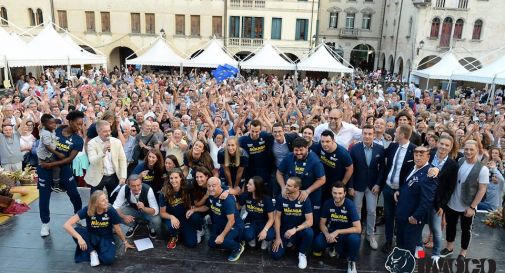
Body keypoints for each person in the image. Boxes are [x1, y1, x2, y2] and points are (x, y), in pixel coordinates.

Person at [441, 140, 489, 261]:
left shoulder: (483, 169)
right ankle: (449, 247)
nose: (468, 152)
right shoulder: (460, 161)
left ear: (477, 150)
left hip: (468, 205)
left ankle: (463, 253)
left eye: (471, 149)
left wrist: (472, 207)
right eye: (466, 149)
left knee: (466, 230)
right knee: (450, 226)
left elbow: (482, 190)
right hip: (452, 202)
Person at [38, 110, 84, 237]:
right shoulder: (55, 130)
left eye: (82, 125)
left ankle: (78, 217)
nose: (80, 127)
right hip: (45, 168)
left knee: (74, 194)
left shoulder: (78, 140)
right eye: (77, 124)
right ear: (70, 121)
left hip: (63, 168)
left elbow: (69, 159)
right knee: (44, 196)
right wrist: (45, 163)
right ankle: (45, 224)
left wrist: (51, 165)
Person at [63, 190, 135, 267]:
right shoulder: (88, 209)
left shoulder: (110, 210)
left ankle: (92, 250)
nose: (106, 201)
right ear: (96, 203)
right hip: (91, 236)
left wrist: (125, 242)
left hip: (106, 238)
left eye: (106, 199)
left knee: (109, 260)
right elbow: (66, 225)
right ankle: (92, 252)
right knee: (77, 230)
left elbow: (117, 228)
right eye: (103, 200)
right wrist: (79, 238)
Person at [394, 146, 438, 255]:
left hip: (412, 218)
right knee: (400, 242)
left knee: (409, 246)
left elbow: (427, 200)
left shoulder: (430, 174)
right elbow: (407, 184)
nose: (418, 158)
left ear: (428, 157)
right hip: (402, 214)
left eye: (421, 155)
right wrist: (399, 191)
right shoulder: (413, 167)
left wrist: (416, 216)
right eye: (416, 155)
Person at [380, 124, 416, 253]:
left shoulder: (414, 150)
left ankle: (401, 243)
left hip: (402, 192)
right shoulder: (393, 146)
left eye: (396, 132)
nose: (394, 134)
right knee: (388, 216)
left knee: (401, 218)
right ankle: (388, 241)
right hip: (388, 188)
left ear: (402, 135)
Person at [277, 137, 326, 233]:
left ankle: (311, 243)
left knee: (312, 220)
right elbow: (279, 173)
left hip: (311, 194)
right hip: (293, 193)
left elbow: (322, 179)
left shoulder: (315, 161)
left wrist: (307, 191)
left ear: (307, 148)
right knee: (293, 217)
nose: (298, 152)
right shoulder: (289, 157)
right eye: (296, 150)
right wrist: (283, 187)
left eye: (301, 150)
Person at [312, 182, 361, 273]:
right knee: (317, 243)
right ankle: (331, 247)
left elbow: (358, 228)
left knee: (354, 239)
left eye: (340, 193)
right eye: (335, 193)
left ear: (345, 193)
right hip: (331, 232)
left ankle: (351, 261)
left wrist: (338, 231)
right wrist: (327, 234)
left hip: (346, 234)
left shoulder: (349, 204)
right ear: (331, 192)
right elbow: (322, 223)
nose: (337, 196)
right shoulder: (328, 203)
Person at [349, 124, 385, 250]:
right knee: (357, 210)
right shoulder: (354, 149)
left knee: (371, 211)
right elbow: (350, 170)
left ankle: (371, 235)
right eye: (365, 133)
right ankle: (356, 234)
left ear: (374, 135)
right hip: (358, 185)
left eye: (370, 134)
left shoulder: (380, 149)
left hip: (373, 186)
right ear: (362, 134)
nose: (367, 136)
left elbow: (382, 170)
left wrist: (378, 184)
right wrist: (351, 186)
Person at [271, 177, 313, 270]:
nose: (285, 187)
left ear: (297, 188)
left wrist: (295, 229)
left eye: (289, 186)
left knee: (309, 232)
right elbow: (277, 218)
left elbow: (310, 221)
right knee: (275, 255)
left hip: (298, 230)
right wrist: (277, 237)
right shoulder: (281, 197)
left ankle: (302, 254)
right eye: (286, 184)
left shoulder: (305, 199)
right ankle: (287, 243)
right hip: (284, 231)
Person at [428, 134, 459, 259]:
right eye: (442, 144)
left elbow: (450, 188)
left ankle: (436, 253)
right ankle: (418, 249)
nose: (443, 147)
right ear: (437, 143)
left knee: (436, 229)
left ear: (451, 147)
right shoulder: (428, 155)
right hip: (422, 198)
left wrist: (442, 205)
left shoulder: (453, 165)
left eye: (447, 145)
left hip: (437, 202)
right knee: (418, 226)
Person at [202, 177, 245, 262]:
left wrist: (222, 236)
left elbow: (231, 221)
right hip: (220, 224)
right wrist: (193, 210)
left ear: (219, 186)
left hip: (234, 225)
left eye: (213, 186)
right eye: (209, 186)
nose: (211, 188)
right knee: (211, 244)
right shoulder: (211, 195)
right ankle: (232, 240)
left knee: (224, 242)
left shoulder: (227, 199)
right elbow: (206, 207)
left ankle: (238, 247)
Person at [85, 120, 127, 204]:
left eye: (109, 130)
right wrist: (103, 151)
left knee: (114, 200)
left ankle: (112, 216)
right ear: (98, 131)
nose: (108, 133)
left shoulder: (116, 142)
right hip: (97, 176)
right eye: (105, 131)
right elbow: (92, 161)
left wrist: (123, 176)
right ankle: (94, 216)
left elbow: (122, 160)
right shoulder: (92, 143)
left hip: (113, 176)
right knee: (95, 202)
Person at [159, 168, 200, 249]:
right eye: (171, 178)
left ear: (181, 177)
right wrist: (172, 217)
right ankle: (174, 236)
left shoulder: (188, 187)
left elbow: (195, 200)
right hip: (171, 217)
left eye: (176, 178)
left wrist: (192, 207)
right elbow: (162, 213)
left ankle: (189, 230)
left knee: (191, 243)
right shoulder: (164, 192)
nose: (173, 180)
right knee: (171, 226)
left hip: (184, 217)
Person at [112, 174, 162, 239]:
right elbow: (115, 206)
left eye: (138, 185)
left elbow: (156, 210)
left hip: (147, 212)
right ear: (129, 185)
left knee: (157, 220)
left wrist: (144, 208)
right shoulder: (124, 188)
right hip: (133, 210)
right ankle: (133, 224)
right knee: (116, 212)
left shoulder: (148, 189)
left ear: (141, 183)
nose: (136, 188)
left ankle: (150, 226)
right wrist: (124, 216)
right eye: (133, 186)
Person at [312, 130, 353, 202]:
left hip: (336, 185)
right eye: (322, 141)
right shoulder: (319, 146)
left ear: (333, 140)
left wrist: (342, 184)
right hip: (323, 182)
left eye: (327, 141)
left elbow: (350, 169)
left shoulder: (342, 153)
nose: (324, 144)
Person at [238, 176, 275, 250]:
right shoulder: (245, 195)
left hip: (264, 221)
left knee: (270, 235)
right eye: (247, 183)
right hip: (250, 220)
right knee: (247, 235)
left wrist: (265, 230)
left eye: (250, 184)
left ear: (257, 187)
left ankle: (265, 240)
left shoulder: (267, 199)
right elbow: (237, 207)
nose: (247, 185)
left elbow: (271, 218)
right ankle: (252, 237)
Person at [239, 120, 273, 193]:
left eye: (257, 131)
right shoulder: (243, 140)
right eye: (252, 131)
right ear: (249, 129)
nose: (254, 134)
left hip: (263, 169)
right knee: (251, 191)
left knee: (263, 191)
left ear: (260, 130)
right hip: (250, 170)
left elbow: (273, 133)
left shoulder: (265, 136)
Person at [36, 114, 65, 191]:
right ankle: (51, 186)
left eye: (54, 122)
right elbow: (47, 147)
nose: (54, 125)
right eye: (51, 123)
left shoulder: (52, 130)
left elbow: (54, 136)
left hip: (49, 154)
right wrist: (58, 154)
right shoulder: (45, 133)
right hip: (44, 155)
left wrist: (63, 126)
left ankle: (53, 185)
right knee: (48, 169)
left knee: (54, 168)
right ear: (44, 125)